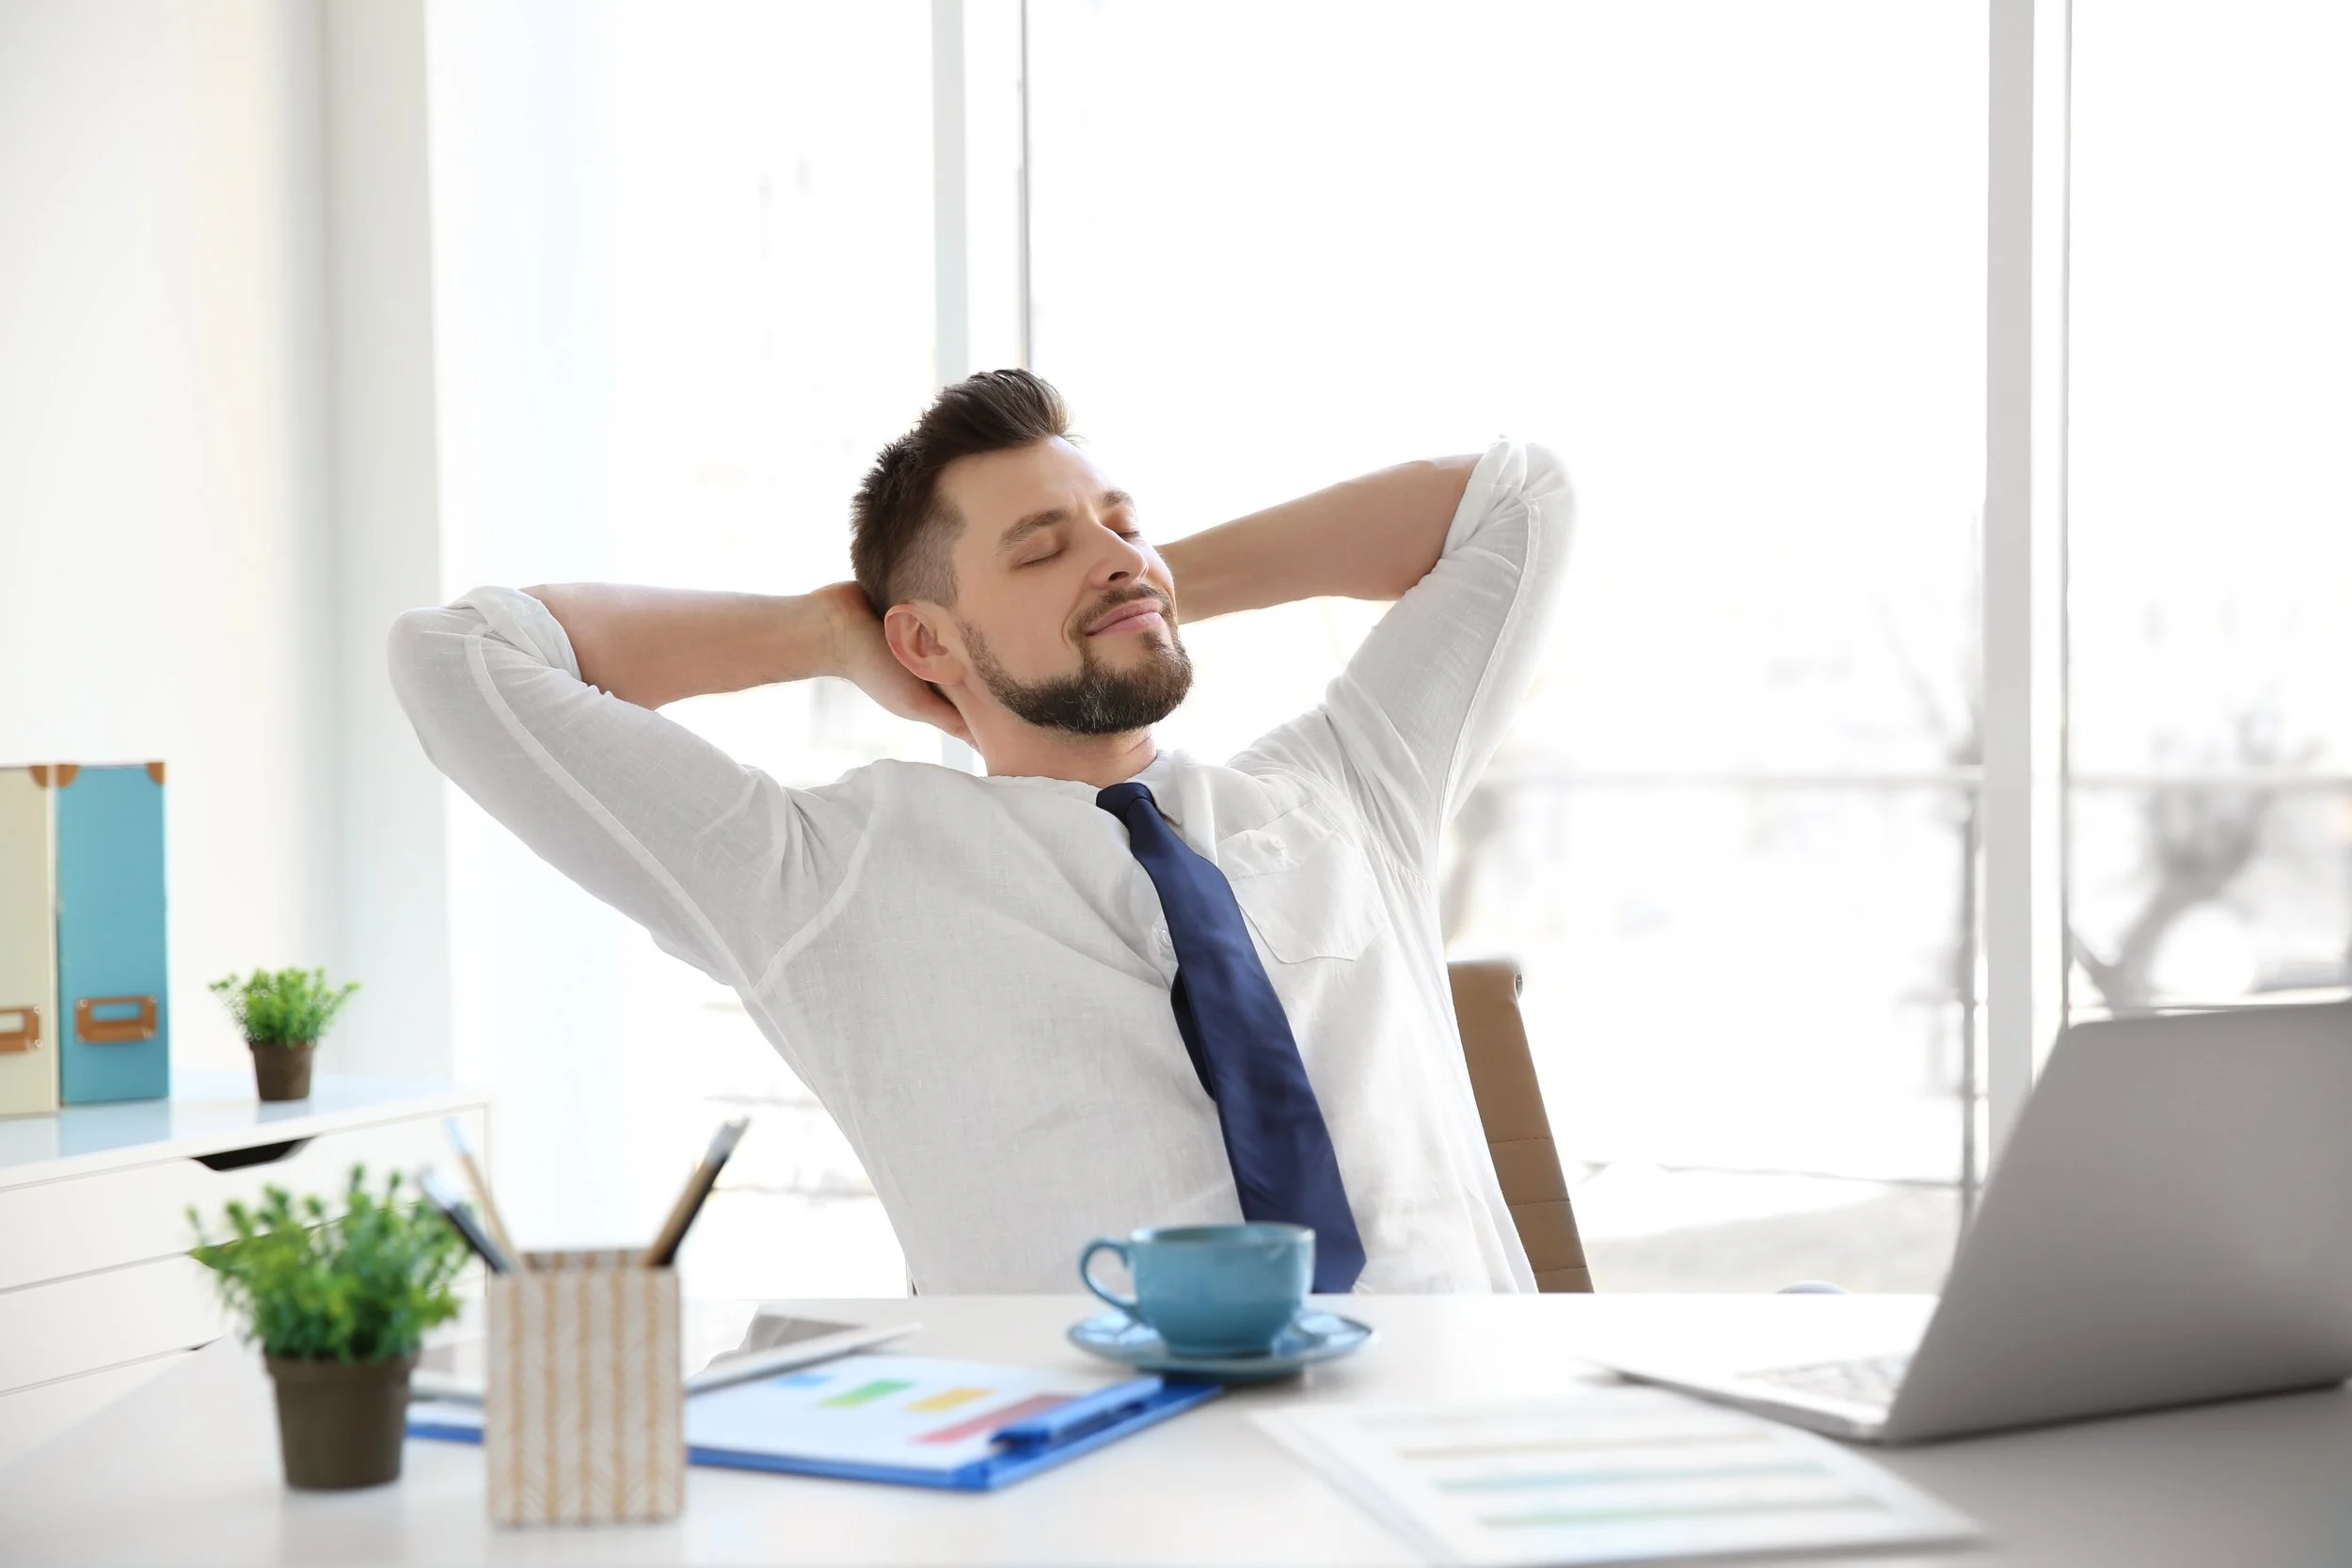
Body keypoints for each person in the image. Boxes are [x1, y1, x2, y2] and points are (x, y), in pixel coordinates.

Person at [389, 370, 1573, 1293]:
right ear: (924, 641)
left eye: (1122, 522)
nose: (1111, 553)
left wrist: (1129, 587)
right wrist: (826, 632)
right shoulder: (823, 878)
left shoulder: (1349, 790)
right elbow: (459, 661)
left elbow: (1519, 500)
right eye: (1039, 546)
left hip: (1459, 1444)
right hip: (1104, 1492)